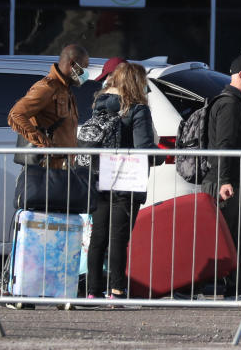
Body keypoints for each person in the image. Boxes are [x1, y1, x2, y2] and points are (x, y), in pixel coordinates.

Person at [86, 61, 155, 301]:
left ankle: (92, 291)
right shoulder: (136, 109)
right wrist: (160, 156)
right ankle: (116, 290)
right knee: (119, 237)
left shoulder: (99, 105)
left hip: (99, 177)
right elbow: (144, 147)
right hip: (127, 179)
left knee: (98, 236)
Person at [203, 53, 241, 298]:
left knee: (232, 236)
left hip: (234, 180)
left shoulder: (237, 102)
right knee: (229, 238)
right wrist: (225, 180)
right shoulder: (229, 104)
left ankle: (234, 289)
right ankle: (230, 290)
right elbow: (224, 145)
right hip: (227, 182)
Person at [8, 44, 90, 169]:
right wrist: (44, 143)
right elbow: (16, 115)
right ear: (72, 64)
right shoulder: (47, 87)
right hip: (46, 169)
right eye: (84, 68)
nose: (85, 74)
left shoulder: (66, 90)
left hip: (64, 167)